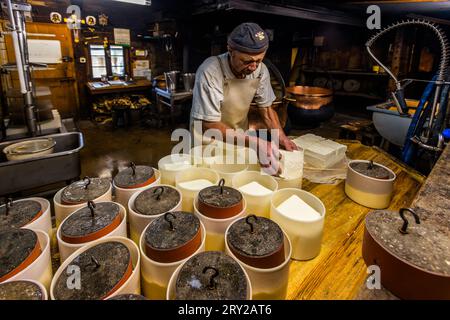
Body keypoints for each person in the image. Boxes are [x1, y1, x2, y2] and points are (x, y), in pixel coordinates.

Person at [190, 22, 298, 174]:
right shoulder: (210, 71)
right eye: (246, 61)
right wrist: (255, 142)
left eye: (259, 60)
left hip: (239, 139)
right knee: (211, 181)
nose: (253, 67)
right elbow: (209, 124)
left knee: (239, 179)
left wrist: (282, 137)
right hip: (208, 141)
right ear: (230, 50)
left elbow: (266, 109)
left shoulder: (260, 71)